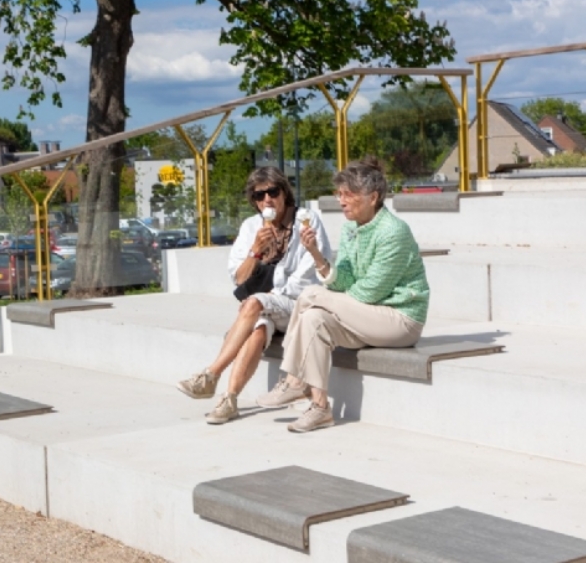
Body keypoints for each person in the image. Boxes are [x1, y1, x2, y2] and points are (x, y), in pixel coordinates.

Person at [256, 157, 430, 433]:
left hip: (400, 320)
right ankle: (320, 407)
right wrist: (315, 254)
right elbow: (344, 281)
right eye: (339, 194)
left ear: (373, 197)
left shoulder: (393, 232)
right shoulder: (351, 227)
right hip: (365, 317)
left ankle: (292, 380)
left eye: (348, 194)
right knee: (313, 318)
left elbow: (370, 292)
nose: (341, 200)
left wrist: (325, 296)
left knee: (313, 294)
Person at [176, 166, 331, 424]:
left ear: (284, 193)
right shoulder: (251, 227)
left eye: (273, 192)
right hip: (267, 307)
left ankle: (211, 374)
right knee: (258, 328)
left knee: (255, 303)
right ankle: (230, 399)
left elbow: (306, 277)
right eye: (260, 196)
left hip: (299, 305)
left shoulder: (306, 220)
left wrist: (268, 295)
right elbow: (239, 278)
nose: (267, 200)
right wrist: (256, 251)